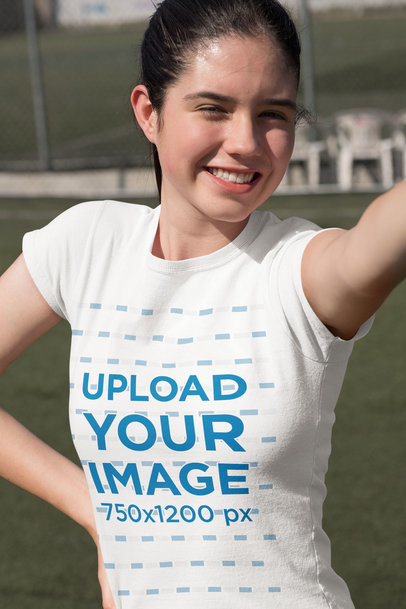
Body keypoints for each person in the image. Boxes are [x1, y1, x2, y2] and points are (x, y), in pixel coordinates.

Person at [0, 0, 404, 607]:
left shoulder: (295, 270)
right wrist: (94, 512)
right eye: (212, 108)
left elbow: (378, 240)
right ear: (149, 113)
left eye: (274, 114)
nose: (245, 143)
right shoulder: (85, 244)